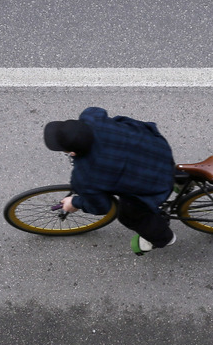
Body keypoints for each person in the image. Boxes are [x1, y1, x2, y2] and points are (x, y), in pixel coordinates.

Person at [44, 107, 177, 255]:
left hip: (156, 184)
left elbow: (101, 207)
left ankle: (164, 238)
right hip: (158, 148)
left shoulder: (85, 176)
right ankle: (183, 181)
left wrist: (75, 203)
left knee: (128, 216)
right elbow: (98, 111)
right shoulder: (93, 117)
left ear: (73, 153)